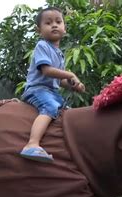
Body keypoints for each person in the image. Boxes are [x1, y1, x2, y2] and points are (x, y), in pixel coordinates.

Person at [19, 7, 86, 163]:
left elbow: (59, 80)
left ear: (65, 27)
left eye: (58, 21)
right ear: (39, 30)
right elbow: (47, 71)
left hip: (51, 91)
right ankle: (32, 144)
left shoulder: (59, 53)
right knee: (50, 108)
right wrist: (70, 74)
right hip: (37, 90)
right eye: (48, 23)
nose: (54, 25)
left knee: (65, 114)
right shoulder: (42, 45)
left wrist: (72, 85)